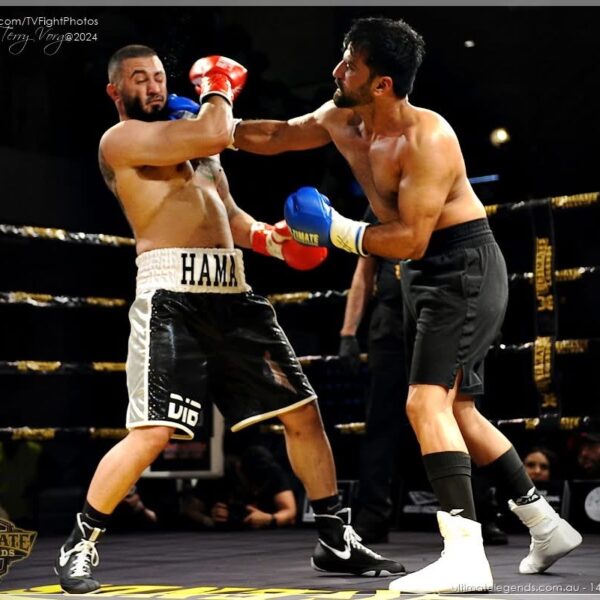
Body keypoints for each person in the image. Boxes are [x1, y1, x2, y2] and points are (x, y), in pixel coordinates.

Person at [232, 17, 582, 593]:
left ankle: (464, 555)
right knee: (459, 411)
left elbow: (412, 239)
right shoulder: (342, 118)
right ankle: (546, 525)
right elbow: (277, 136)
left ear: (382, 84)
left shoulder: (427, 139)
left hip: (461, 268)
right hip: (423, 276)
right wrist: (210, 125)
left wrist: (335, 229)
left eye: (350, 65)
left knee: (424, 404)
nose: (336, 71)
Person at [54, 44, 403, 594]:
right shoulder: (122, 140)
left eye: (159, 76)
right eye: (139, 78)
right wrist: (218, 85)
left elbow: (230, 216)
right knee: (153, 432)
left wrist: (273, 241)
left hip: (232, 293)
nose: (153, 85)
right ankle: (80, 543)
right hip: (171, 295)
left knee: (303, 412)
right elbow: (218, 129)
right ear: (115, 91)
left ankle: (336, 538)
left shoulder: (195, 136)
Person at [338, 207, 407, 544]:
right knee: (380, 422)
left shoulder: (442, 190)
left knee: (455, 414)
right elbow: (363, 271)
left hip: (439, 316)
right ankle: (374, 516)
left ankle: (476, 514)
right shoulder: (377, 205)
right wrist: (348, 332)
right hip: (390, 324)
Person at [183, 445, 297, 530]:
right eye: (252, 483)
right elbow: (190, 509)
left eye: (259, 485)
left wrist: (269, 519)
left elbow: (290, 511)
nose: (255, 491)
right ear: (239, 470)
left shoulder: (273, 472)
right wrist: (208, 519)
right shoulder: (220, 473)